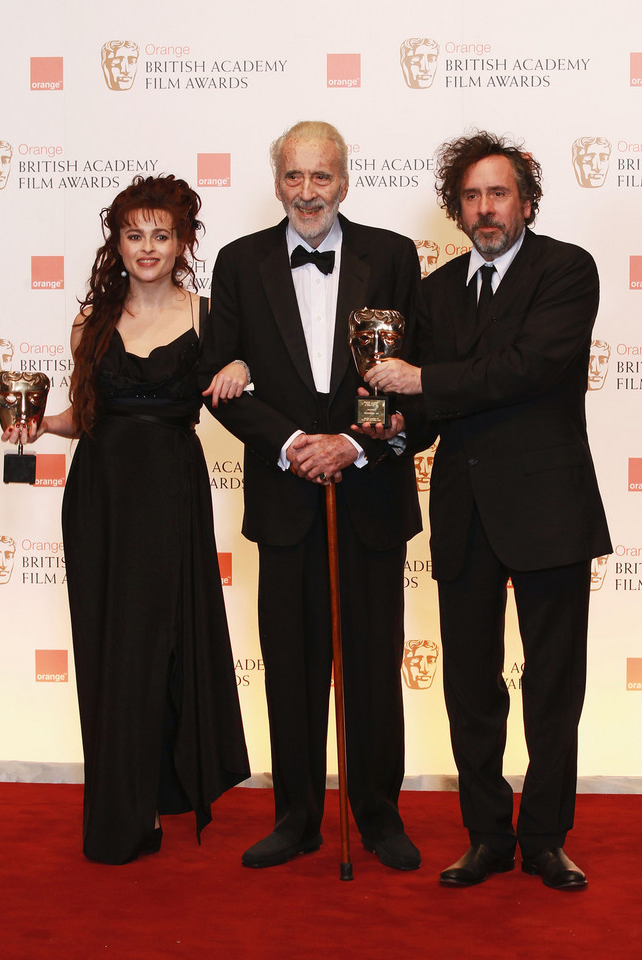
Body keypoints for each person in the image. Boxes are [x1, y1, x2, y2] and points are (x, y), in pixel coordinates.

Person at [361, 131, 611, 889]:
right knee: (469, 686)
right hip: (465, 512)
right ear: (456, 209)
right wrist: (390, 426)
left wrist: (419, 383)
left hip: (549, 510)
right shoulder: (434, 294)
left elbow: (527, 368)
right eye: (470, 196)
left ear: (525, 200)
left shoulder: (566, 270)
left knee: (552, 686)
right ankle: (485, 836)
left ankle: (543, 838)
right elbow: (427, 407)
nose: (484, 208)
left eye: (497, 193)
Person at [3, 175, 250, 864]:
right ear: (116, 241)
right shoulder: (91, 322)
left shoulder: (206, 317)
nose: (147, 248)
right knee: (111, 651)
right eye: (134, 234)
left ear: (182, 243)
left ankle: (164, 789)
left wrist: (238, 367)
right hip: (102, 499)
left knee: (164, 648)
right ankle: (121, 815)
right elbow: (86, 416)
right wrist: (34, 426)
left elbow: (237, 385)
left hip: (171, 496)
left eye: (161, 235)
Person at [198, 120, 425, 871]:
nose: (306, 192)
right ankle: (295, 818)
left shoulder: (391, 256)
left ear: (344, 179)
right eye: (293, 177)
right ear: (275, 183)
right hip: (286, 498)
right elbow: (222, 383)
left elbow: (414, 377)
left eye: (320, 176)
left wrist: (353, 445)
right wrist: (295, 445)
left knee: (369, 666)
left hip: (368, 497)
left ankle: (378, 816)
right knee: (290, 669)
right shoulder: (238, 263)